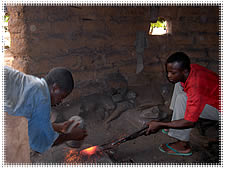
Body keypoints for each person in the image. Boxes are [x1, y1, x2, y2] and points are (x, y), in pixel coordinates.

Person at [4, 66, 87, 161]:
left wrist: (59, 127)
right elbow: (41, 143)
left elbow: (35, 124)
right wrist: (71, 136)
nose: (61, 101)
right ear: (55, 88)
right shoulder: (42, 100)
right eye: (61, 96)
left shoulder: (36, 84)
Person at [146, 52, 219, 156]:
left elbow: (190, 122)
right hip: (212, 98)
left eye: (173, 73)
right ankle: (175, 121)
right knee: (178, 85)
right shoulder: (191, 69)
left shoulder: (195, 87)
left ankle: (183, 145)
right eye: (168, 72)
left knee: (182, 98)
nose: (169, 76)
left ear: (184, 71)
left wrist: (160, 124)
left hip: (219, 109)